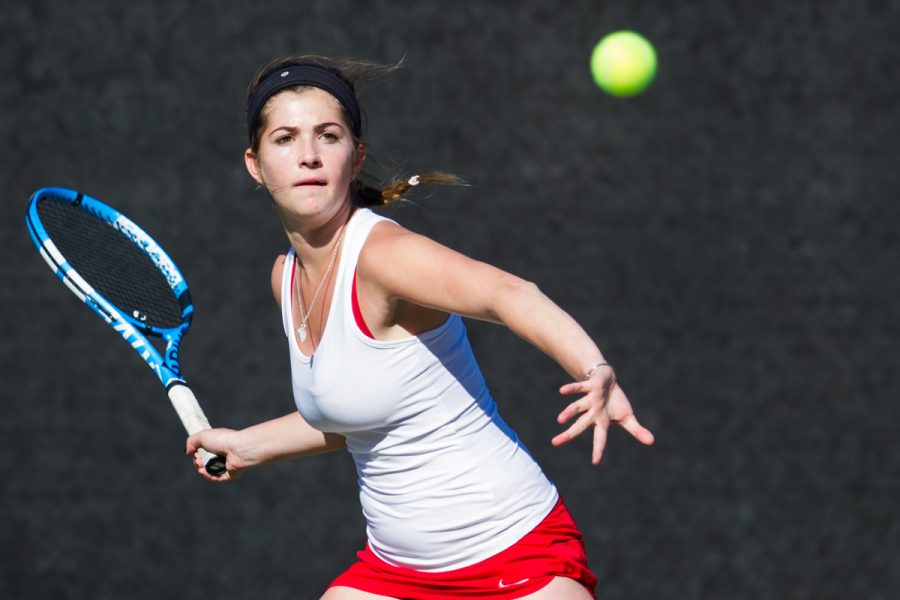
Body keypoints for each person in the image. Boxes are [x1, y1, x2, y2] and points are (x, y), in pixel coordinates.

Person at [186, 54, 655, 600]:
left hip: (514, 557)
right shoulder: (285, 278)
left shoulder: (383, 257)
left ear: (355, 158)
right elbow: (362, 410)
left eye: (328, 136)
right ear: (255, 164)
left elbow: (509, 294)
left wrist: (592, 366)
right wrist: (250, 445)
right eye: (285, 139)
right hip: (395, 573)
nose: (309, 156)